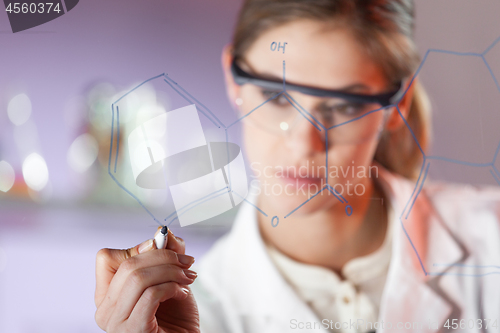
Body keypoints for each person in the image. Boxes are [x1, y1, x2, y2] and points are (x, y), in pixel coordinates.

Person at [94, 1, 500, 332]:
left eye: (344, 105)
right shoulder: (190, 316)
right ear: (234, 80)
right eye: (278, 97)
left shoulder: (490, 237)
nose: (303, 143)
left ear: (398, 106)